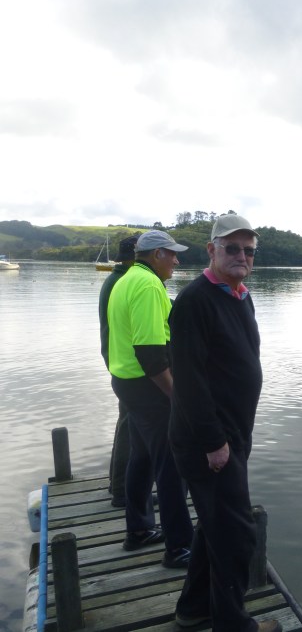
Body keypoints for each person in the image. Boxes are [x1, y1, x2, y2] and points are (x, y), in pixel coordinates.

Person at [169, 214, 279, 632]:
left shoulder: (239, 295)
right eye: (231, 248)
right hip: (208, 441)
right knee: (235, 533)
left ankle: (193, 608)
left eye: (248, 251)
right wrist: (214, 442)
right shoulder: (194, 301)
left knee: (215, 525)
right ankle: (233, 624)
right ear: (211, 250)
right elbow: (189, 382)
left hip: (233, 433)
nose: (241, 256)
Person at [107, 230, 194, 568]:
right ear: (156, 254)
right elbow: (151, 354)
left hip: (126, 382)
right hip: (149, 387)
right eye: (172, 254)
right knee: (171, 467)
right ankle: (179, 547)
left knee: (141, 458)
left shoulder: (125, 280)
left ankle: (139, 530)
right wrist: (177, 397)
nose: (177, 261)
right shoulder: (147, 285)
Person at [98, 234, 138, 508]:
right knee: (129, 426)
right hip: (127, 364)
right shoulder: (123, 282)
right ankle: (122, 491)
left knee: (126, 422)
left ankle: (117, 482)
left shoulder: (115, 279)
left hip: (117, 360)